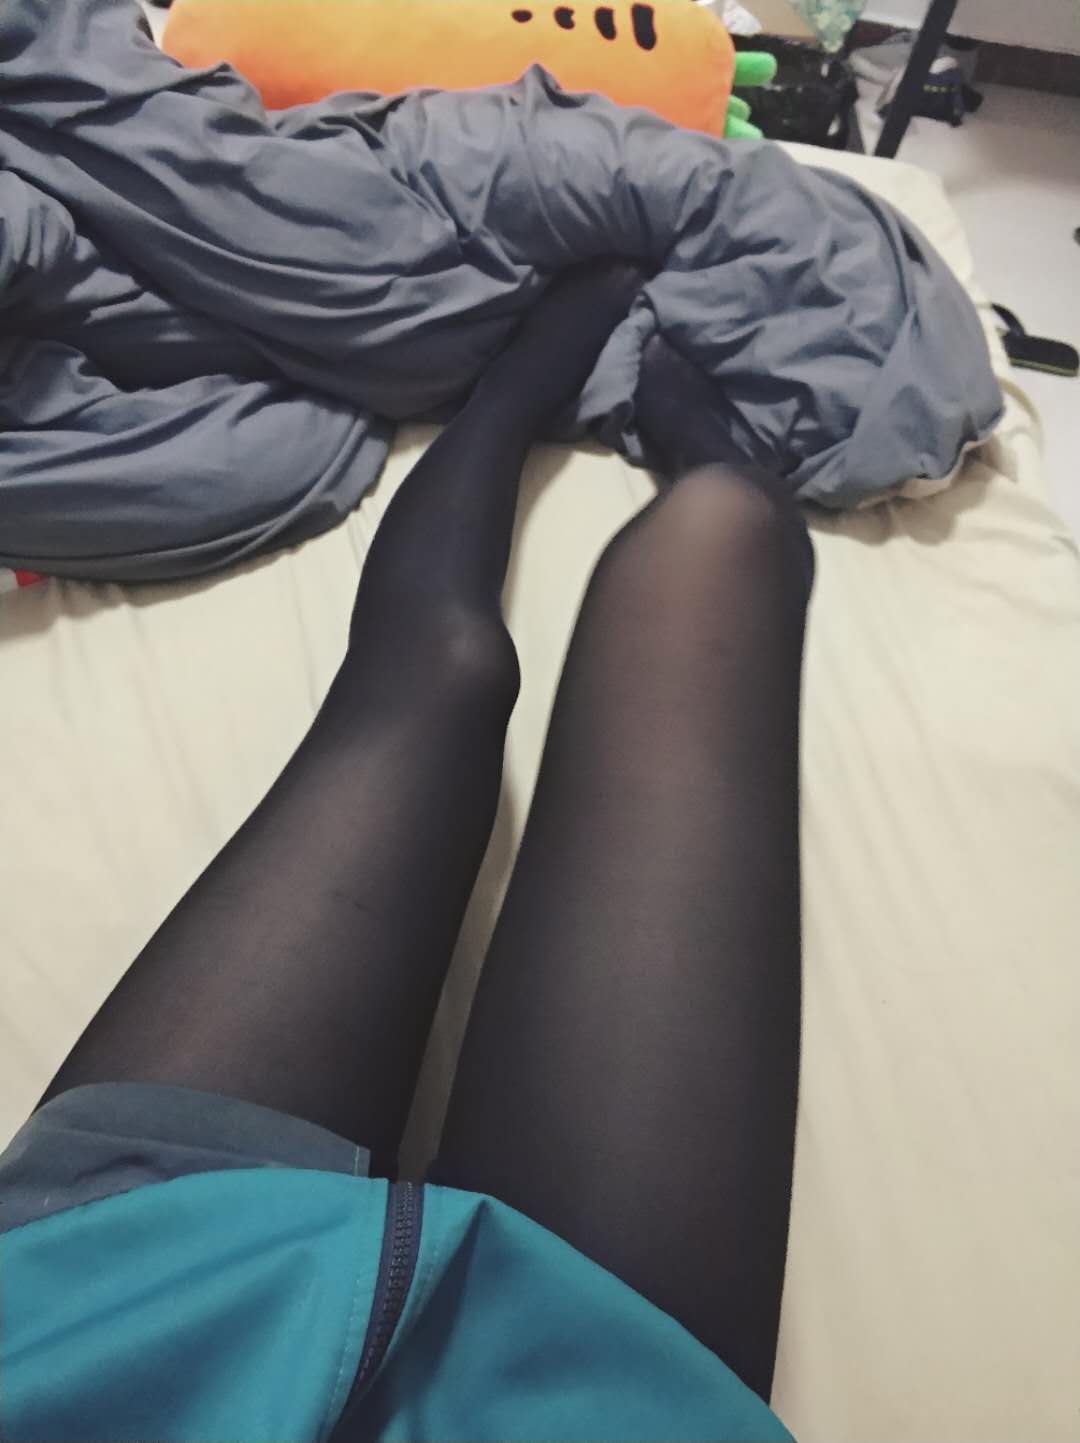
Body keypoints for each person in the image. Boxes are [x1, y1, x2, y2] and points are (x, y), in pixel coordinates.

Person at [1, 263, 812, 1443]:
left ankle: (513, 392)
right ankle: (688, 445)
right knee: (728, 534)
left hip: (124, 1326)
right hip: (578, 1406)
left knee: (441, 670)